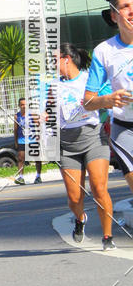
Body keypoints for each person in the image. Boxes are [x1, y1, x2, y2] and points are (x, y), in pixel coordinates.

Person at [85, 0, 133, 236]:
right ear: (114, 15)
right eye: (125, 6)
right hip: (125, 130)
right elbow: (88, 101)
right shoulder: (104, 52)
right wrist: (108, 99)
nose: (131, 11)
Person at [58, 43, 114, 248]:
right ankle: (80, 218)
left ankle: (107, 236)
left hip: (93, 138)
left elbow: (109, 99)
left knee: (99, 188)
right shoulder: (50, 86)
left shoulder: (90, 79)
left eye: (54, 59)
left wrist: (105, 102)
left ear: (66, 59)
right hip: (67, 144)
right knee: (74, 198)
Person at [13, 97, 43, 185]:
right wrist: (16, 141)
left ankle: (38, 176)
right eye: (22, 105)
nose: (24, 106)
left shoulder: (32, 115)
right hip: (22, 140)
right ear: (19, 106)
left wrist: (39, 136)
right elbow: (15, 130)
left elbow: (39, 126)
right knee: (20, 158)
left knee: (37, 158)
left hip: (32, 140)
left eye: (25, 104)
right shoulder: (17, 116)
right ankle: (21, 177)